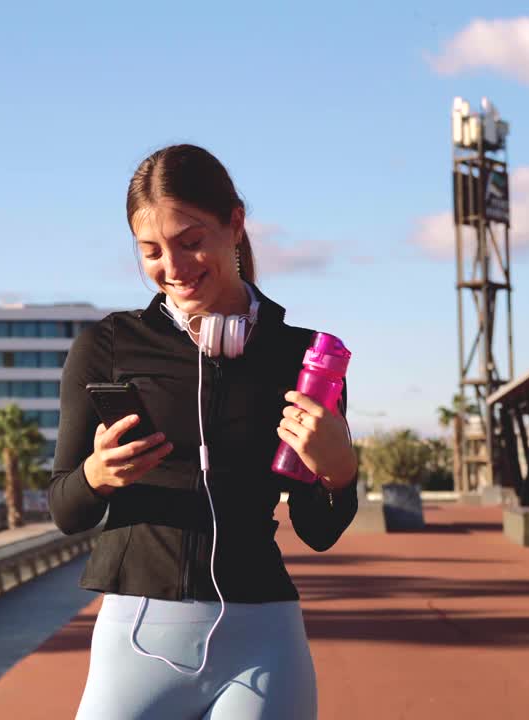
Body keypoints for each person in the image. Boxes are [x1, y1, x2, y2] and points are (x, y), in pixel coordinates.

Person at [49, 143, 360, 719]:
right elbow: (66, 510)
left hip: (261, 638)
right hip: (136, 636)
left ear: (235, 224)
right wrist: (96, 476)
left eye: (191, 241)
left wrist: (340, 470)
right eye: (151, 251)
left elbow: (319, 531)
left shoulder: (305, 358)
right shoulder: (108, 346)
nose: (174, 267)